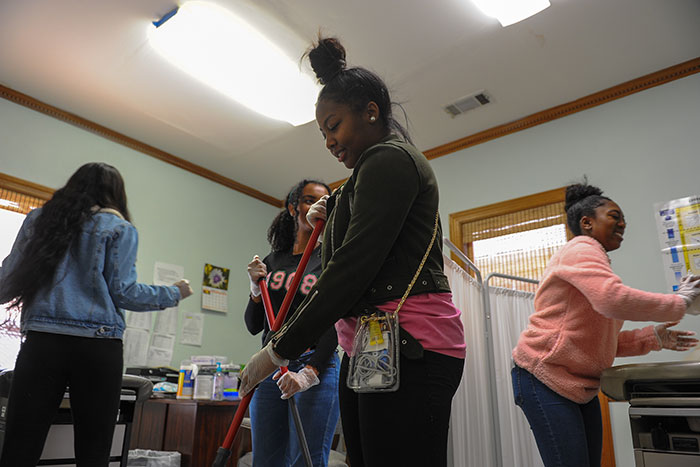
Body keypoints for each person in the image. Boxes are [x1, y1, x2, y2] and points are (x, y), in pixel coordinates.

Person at [239, 36, 466, 467]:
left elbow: (349, 270)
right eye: (323, 131)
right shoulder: (362, 177)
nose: (328, 140)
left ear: (371, 112)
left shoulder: (390, 159)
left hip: (412, 345)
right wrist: (339, 207)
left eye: (334, 124)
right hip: (371, 346)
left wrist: (277, 350)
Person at [0, 162, 194, 467]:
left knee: (18, 448)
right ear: (115, 194)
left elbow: (6, 283)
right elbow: (124, 292)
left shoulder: (40, 220)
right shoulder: (119, 228)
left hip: (43, 345)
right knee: (94, 451)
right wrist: (174, 293)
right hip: (98, 348)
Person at [511, 182, 700, 467]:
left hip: (579, 384)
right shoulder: (580, 248)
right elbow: (612, 300)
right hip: (544, 376)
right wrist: (680, 302)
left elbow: (599, 342)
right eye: (615, 216)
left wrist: (654, 339)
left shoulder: (596, 268)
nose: (623, 223)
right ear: (586, 222)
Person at [244, 179, 340, 467]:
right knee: (266, 459)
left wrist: (310, 372)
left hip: (316, 365)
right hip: (272, 365)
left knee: (306, 460)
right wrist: (254, 288)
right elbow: (253, 324)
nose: (317, 207)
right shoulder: (273, 261)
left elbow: (333, 320)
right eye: (310, 200)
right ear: (292, 208)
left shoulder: (331, 259)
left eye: (325, 202)